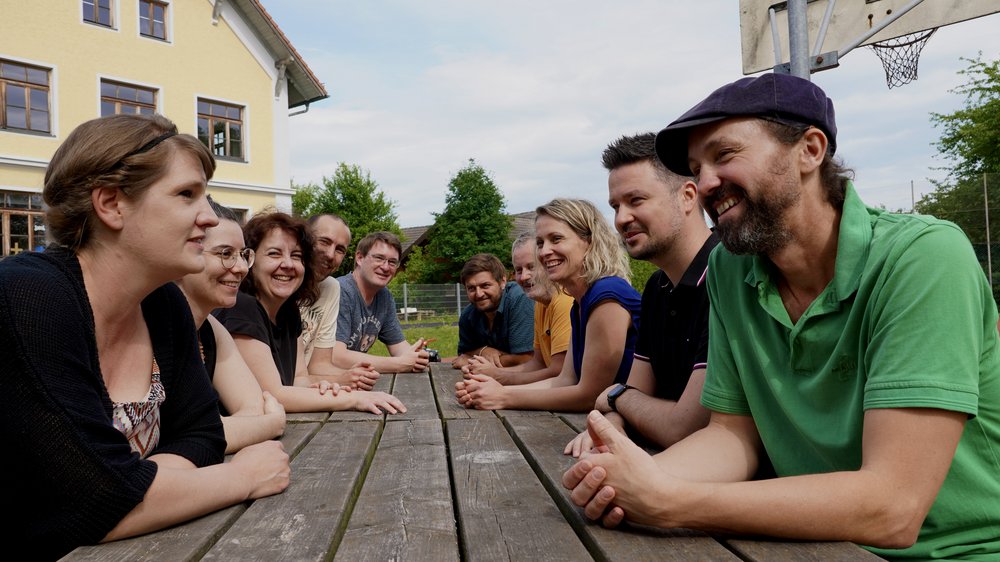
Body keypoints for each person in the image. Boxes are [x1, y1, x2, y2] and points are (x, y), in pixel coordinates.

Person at [561, 73, 1000, 560]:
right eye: (696, 167)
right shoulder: (730, 268)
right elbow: (732, 438)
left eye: (724, 156)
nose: (705, 183)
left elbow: (894, 506)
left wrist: (670, 500)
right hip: (813, 543)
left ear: (810, 150)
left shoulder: (922, 257)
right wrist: (624, 478)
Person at [0, 114, 289, 558]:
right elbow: (91, 502)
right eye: (186, 194)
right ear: (112, 203)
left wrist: (148, 485)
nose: (210, 217)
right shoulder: (28, 298)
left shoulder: (162, 304)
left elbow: (202, 433)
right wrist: (242, 477)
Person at [565, 133, 716, 457]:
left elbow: (684, 427)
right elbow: (636, 389)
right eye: (616, 206)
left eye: (636, 201)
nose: (621, 219)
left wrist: (618, 396)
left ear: (688, 197)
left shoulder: (725, 277)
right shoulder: (657, 287)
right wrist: (614, 428)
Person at [456, 198, 641, 411]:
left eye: (556, 239)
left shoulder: (608, 296)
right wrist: (487, 390)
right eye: (541, 243)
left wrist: (504, 396)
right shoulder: (580, 303)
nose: (544, 252)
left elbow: (590, 395)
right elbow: (565, 380)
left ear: (589, 240)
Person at [215, 212, 406, 415]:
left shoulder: (288, 311)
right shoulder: (242, 307)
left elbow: (300, 379)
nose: (288, 264)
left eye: (296, 256)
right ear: (249, 259)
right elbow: (272, 393)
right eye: (274, 254)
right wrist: (352, 398)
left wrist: (326, 389)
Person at [175, 199, 287, 454]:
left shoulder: (211, 328)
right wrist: (271, 424)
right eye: (225, 254)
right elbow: (183, 437)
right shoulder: (149, 326)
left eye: (243, 255)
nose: (240, 269)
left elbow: (254, 406)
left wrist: (249, 423)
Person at [461, 233, 571, 384]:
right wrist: (487, 372)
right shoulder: (540, 303)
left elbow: (559, 373)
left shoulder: (564, 301)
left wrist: (498, 382)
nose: (524, 276)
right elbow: (537, 363)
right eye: (519, 270)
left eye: (531, 267)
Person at [300, 213, 380, 390]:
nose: (330, 255)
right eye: (324, 241)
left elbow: (318, 364)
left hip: (305, 387)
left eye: (339, 249)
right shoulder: (281, 285)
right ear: (304, 239)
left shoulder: (331, 288)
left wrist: (353, 375)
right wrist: (341, 379)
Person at [331, 231, 431, 373]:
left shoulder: (384, 296)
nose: (385, 267)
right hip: (320, 382)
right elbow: (337, 357)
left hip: (352, 380)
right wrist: (398, 363)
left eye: (392, 262)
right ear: (359, 258)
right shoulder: (340, 291)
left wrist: (415, 356)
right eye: (379, 258)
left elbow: (399, 347)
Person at [450, 253, 535, 369]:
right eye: (471, 288)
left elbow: (526, 359)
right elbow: (462, 355)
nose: (479, 294)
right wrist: (483, 350)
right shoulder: (468, 315)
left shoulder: (519, 299)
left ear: (502, 282)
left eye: (485, 286)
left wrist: (475, 362)